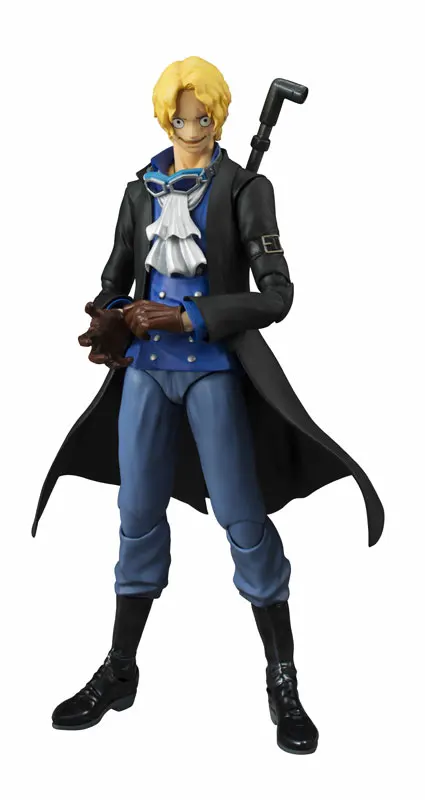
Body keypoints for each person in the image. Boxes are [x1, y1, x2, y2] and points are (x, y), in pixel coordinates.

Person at [34, 56, 384, 753]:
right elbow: (113, 277)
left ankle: (282, 677)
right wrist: (111, 317)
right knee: (136, 517)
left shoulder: (245, 188)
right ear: (163, 117)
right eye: (178, 116)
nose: (190, 127)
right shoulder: (138, 191)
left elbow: (277, 295)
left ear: (218, 117)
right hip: (144, 375)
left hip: (212, 371)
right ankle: (120, 668)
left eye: (202, 116)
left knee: (242, 518)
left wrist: (192, 316)